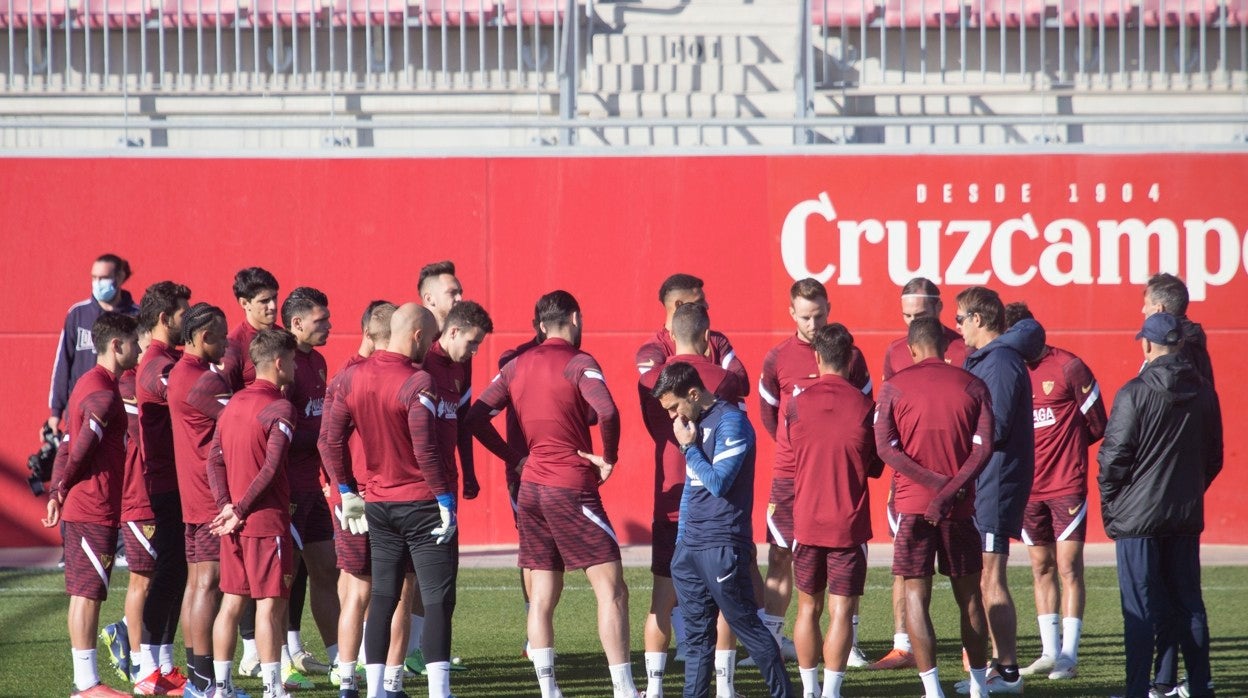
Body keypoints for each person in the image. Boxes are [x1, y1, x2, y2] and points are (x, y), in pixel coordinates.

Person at [467, 290, 639, 698]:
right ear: (575, 318)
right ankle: (625, 689)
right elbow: (609, 412)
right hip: (570, 487)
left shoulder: (516, 365)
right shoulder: (580, 362)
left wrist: (517, 460)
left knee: (542, 596)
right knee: (612, 590)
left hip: (531, 490)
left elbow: (475, 417)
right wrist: (608, 457)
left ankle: (548, 691)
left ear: (541, 324)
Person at [322, 303, 460, 698]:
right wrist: (445, 499)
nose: (430, 347)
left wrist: (346, 489)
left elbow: (330, 440)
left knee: (382, 597)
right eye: (430, 338)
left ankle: (376, 691)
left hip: (378, 505)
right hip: (421, 503)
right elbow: (426, 450)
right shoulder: (419, 382)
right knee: (435, 600)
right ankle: (439, 691)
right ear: (417, 336)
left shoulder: (350, 378)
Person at [651, 361, 792, 698]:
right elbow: (691, 489)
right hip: (691, 549)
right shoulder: (694, 423)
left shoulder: (732, 423)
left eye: (674, 407)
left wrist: (688, 447)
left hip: (722, 545)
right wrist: (682, 542)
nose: (672, 417)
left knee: (749, 628)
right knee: (698, 639)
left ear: (694, 394)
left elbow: (718, 482)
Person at [1099, 312, 1222, 698]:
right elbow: (1214, 458)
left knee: (1139, 609)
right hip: (1182, 515)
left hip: (1138, 518)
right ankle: (1198, 686)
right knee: (1188, 605)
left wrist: (1113, 504)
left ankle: (1138, 689)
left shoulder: (1133, 392)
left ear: (1148, 345)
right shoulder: (1204, 391)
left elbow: (1113, 458)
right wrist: (1187, 491)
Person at [874, 316, 995, 698]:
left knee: (915, 596)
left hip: (913, 509)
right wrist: (951, 488)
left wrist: (933, 486)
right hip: (959, 509)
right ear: (947, 349)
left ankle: (932, 691)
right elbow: (984, 447)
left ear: (910, 350)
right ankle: (978, 688)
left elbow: (884, 449)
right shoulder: (974, 385)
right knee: (970, 597)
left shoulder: (894, 387)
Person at [757, 278, 871, 666]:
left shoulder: (851, 357)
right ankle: (770, 639)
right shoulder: (777, 358)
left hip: (837, 475)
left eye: (819, 314)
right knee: (779, 554)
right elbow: (769, 413)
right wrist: (797, 449)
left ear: (829, 309)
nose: (813, 323)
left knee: (847, 557)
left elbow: (866, 415)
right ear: (792, 314)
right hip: (791, 475)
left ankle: (849, 642)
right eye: (805, 316)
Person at [637, 303, 745, 698]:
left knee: (661, 598)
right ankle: (726, 688)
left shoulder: (653, 379)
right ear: (706, 337)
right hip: (711, 503)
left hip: (669, 490)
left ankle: (653, 688)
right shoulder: (724, 378)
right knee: (725, 600)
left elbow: (655, 426)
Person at [1003, 303, 1106, 682]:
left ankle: (1069, 655)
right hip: (1028, 490)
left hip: (1066, 486)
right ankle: (1048, 651)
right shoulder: (1007, 371)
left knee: (1068, 566)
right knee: (1040, 566)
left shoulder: (1068, 366)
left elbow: (1097, 424)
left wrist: (1069, 452)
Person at [42, 312, 141, 698]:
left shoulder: (87, 383)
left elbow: (66, 442)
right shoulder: (103, 392)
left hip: (87, 505)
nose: (138, 348)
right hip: (92, 505)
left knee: (88, 591)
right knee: (87, 593)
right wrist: (62, 488)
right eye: (134, 342)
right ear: (117, 345)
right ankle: (85, 685)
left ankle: (87, 682)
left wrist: (56, 492)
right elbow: (80, 445)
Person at [872, 277, 967, 672]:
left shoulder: (964, 348)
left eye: (920, 315)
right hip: (910, 483)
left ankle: (972, 651)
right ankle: (902, 644)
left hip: (960, 485)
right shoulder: (895, 352)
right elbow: (887, 423)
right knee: (905, 567)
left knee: (969, 574)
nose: (912, 322)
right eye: (906, 315)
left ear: (939, 309)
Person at [955, 287, 1044, 694]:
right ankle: (996, 666)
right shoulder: (992, 358)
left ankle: (1009, 672)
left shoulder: (1003, 361)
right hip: (986, 478)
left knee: (992, 574)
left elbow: (999, 423)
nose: (957, 328)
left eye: (959, 319)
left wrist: (960, 438)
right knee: (984, 575)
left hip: (994, 480)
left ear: (978, 319)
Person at [786, 324, 882, 698]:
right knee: (842, 610)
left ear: (817, 356)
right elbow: (874, 467)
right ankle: (831, 692)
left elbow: (794, 450)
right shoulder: (866, 408)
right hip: (848, 524)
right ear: (851, 358)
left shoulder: (796, 404)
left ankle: (810, 690)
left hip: (807, 521)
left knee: (807, 608)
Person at [207, 328, 300, 698]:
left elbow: (212, 462)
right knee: (270, 607)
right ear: (279, 363)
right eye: (292, 361)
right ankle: (272, 688)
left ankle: (222, 686)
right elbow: (272, 467)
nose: (294, 367)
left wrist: (225, 507)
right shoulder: (280, 407)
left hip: (232, 523)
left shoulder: (232, 406)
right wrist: (241, 508)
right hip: (264, 521)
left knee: (230, 604)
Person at [1139, 273, 1216, 697]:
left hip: (1163, 494)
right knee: (1172, 592)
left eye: (1146, 304)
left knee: (1179, 593)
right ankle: (1168, 680)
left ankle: (1190, 681)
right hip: (1174, 491)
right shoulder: (1193, 351)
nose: (1142, 311)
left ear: (1162, 310)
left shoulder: (1184, 354)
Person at [127, 281, 193, 695]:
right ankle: (145, 667)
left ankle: (163, 664)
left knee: (178, 573)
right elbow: (193, 397)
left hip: (178, 481)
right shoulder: (157, 365)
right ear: (166, 319)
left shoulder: (170, 359)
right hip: (166, 484)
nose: (190, 319)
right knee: (167, 573)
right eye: (185, 313)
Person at [275, 287, 342, 686]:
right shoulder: (282, 364)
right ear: (297, 323)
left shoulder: (317, 361)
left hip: (311, 486)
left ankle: (340, 660)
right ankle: (278, 659)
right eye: (321, 320)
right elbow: (278, 430)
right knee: (284, 576)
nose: (329, 326)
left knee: (326, 567)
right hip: (287, 489)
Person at [167, 303, 234, 697]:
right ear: (205, 337)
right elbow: (242, 419)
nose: (226, 343)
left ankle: (197, 678)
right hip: (210, 495)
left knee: (197, 583)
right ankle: (206, 682)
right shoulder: (204, 382)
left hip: (193, 493)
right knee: (209, 584)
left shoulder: (179, 373)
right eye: (222, 336)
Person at [48, 253, 139, 433]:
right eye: (94, 277)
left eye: (104, 277)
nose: (98, 282)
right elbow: (63, 363)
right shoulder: (77, 314)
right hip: (80, 409)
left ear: (120, 277)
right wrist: (55, 412)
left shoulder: (137, 316)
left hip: (120, 410)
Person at [636, 273, 748, 389]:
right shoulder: (652, 349)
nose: (707, 305)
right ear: (679, 305)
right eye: (700, 301)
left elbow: (741, 384)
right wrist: (716, 375)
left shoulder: (716, 339)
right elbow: (658, 390)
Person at [221, 267, 280, 392]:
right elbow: (223, 401)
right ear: (244, 303)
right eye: (264, 301)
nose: (273, 306)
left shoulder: (284, 337)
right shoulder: (233, 345)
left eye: (274, 298)